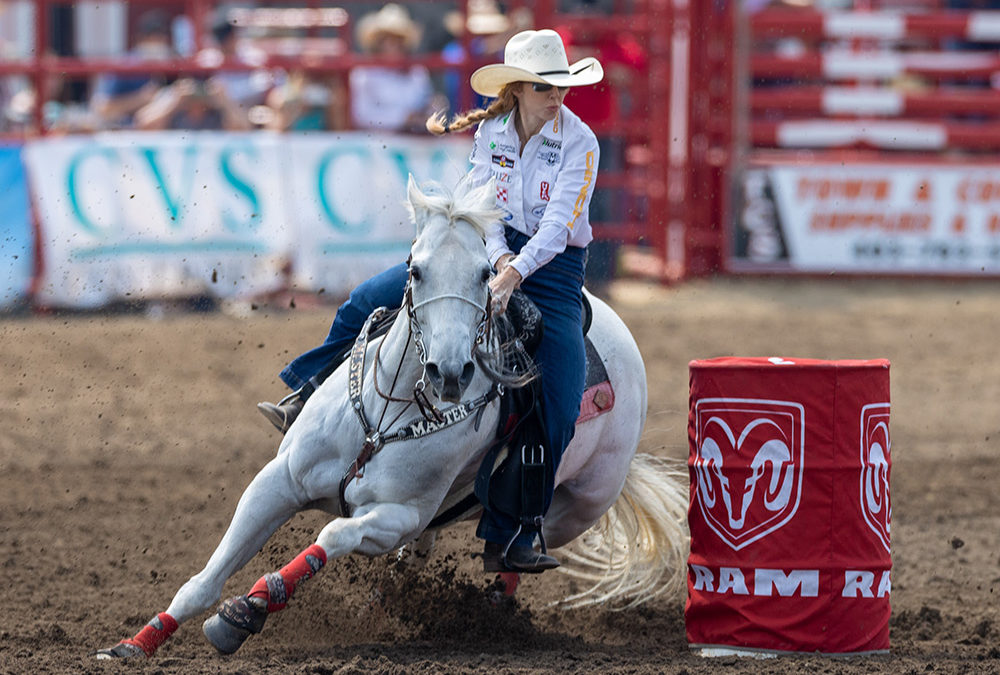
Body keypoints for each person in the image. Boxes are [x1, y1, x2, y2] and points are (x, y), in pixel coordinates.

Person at [258, 29, 603, 573]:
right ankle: (305, 395)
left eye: (559, 86)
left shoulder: (581, 142)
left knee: (559, 395)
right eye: (542, 87)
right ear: (517, 89)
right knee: (363, 302)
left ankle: (516, 528)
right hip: (485, 253)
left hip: (553, 273)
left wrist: (513, 273)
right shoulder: (492, 133)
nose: (555, 96)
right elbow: (480, 207)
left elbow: (560, 226)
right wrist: (493, 262)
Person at [348, 4, 435, 132]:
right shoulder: (364, 73)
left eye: (398, 39)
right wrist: (403, 118)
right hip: (374, 143)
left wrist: (431, 111)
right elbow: (361, 115)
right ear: (377, 43)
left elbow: (427, 103)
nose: (392, 45)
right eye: (387, 39)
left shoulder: (417, 72)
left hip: (415, 144)